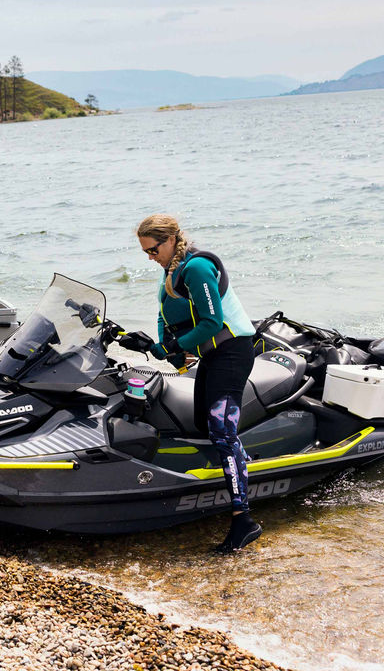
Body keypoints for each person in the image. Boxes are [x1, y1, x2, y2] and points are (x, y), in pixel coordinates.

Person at [119, 214, 262, 552]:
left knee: (221, 432)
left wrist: (170, 347)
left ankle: (244, 521)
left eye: (153, 250)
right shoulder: (170, 273)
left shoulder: (196, 269)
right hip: (213, 354)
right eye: (145, 253)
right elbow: (165, 316)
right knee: (201, 424)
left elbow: (212, 322)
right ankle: (240, 467)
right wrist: (164, 349)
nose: (150, 257)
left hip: (232, 352)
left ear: (169, 241)